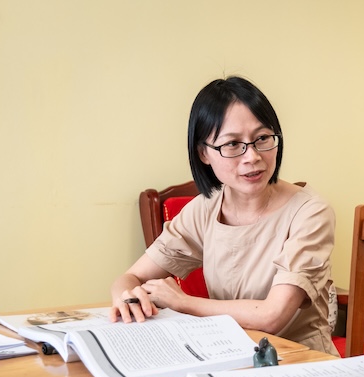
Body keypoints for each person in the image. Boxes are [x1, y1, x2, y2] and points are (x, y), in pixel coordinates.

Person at [110, 76, 338, 355]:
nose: (252, 156)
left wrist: (183, 302)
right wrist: (126, 298)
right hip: (231, 357)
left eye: (262, 138)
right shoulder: (204, 209)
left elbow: (273, 316)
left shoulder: (310, 212)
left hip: (301, 361)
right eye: (232, 144)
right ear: (203, 153)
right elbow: (131, 277)